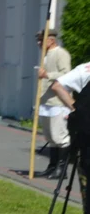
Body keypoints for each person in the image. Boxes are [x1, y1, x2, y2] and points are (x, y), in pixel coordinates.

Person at [48, 61, 90, 214]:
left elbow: (57, 85)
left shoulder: (85, 68)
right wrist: (77, 109)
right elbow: (56, 86)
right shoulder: (86, 69)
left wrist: (77, 109)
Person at [37, 30, 72, 179]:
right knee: (50, 136)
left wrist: (48, 75)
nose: (39, 44)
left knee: (59, 136)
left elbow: (66, 73)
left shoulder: (61, 54)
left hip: (58, 101)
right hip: (46, 101)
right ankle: (52, 166)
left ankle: (62, 169)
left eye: (41, 40)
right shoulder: (44, 56)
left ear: (50, 41)